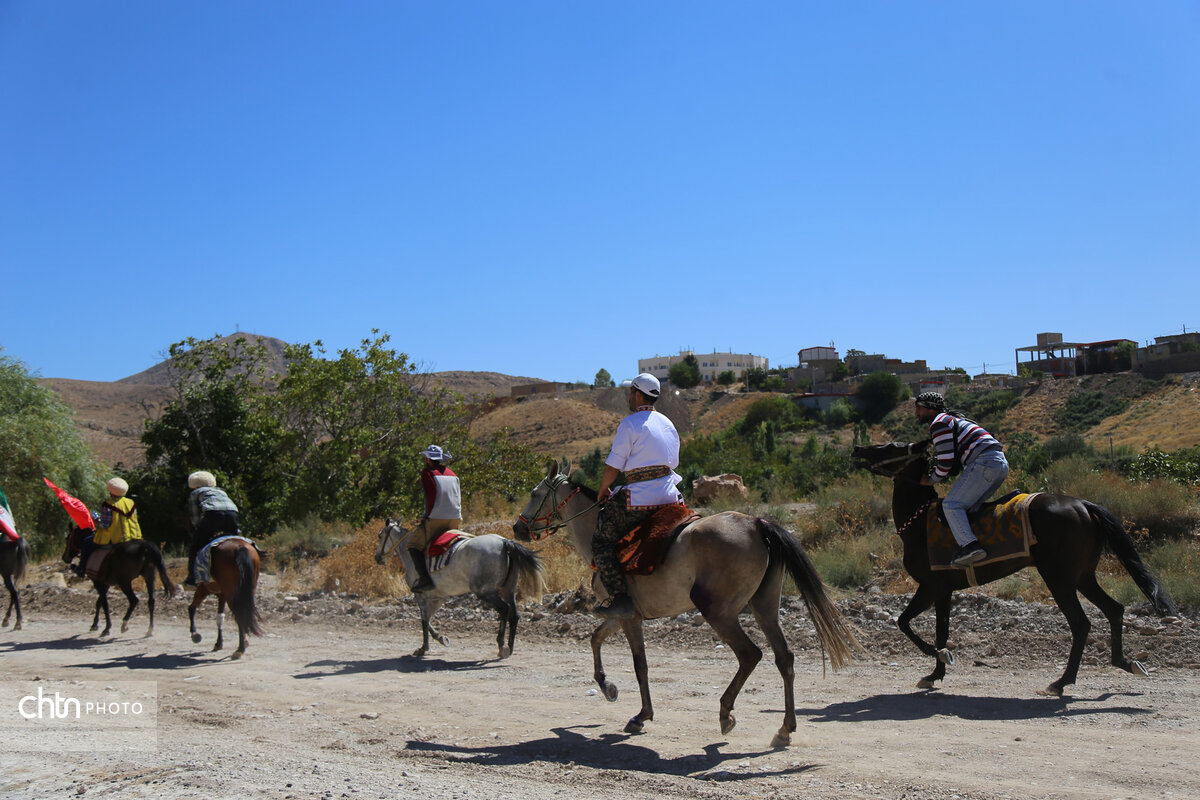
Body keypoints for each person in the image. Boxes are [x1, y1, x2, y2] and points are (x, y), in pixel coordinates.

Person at [593, 373, 684, 619]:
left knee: (601, 542)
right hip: (670, 496)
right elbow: (673, 462)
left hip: (639, 499)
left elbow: (613, 466)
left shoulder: (629, 424)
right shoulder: (668, 423)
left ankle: (620, 598)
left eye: (630, 392)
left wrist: (603, 490)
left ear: (637, 394)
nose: (628, 397)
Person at [914, 391, 1010, 568]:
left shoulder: (938, 423)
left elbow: (946, 460)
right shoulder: (951, 419)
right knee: (970, 508)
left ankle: (970, 546)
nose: (916, 413)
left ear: (930, 408)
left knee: (951, 505)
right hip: (998, 462)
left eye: (919, 408)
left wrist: (930, 480)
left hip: (984, 463)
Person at [410, 445, 462, 593]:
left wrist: (425, 516)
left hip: (436, 518)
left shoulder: (427, 473)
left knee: (413, 545)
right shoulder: (452, 473)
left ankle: (425, 579)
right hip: (455, 518)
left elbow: (431, 496)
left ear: (428, 459)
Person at [184, 471, 241, 587]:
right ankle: (256, 552)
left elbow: (195, 517)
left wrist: (199, 528)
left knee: (195, 547)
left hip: (213, 514)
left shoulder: (195, 493)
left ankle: (192, 578)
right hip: (233, 513)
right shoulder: (221, 491)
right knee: (237, 539)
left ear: (195, 485)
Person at [77, 477, 143, 577]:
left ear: (111, 491)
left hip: (116, 539)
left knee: (87, 542)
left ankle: (81, 569)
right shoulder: (131, 503)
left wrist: (97, 520)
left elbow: (105, 525)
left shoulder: (108, 504)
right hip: (135, 537)